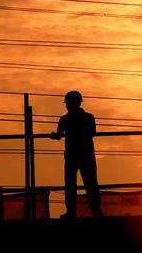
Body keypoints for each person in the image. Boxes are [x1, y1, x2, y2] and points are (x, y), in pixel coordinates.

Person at [50, 90, 103, 218]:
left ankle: (73, 212)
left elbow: (58, 135)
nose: (67, 105)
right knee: (90, 183)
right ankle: (96, 211)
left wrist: (55, 136)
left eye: (68, 103)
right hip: (85, 155)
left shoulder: (65, 119)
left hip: (73, 155)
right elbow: (92, 133)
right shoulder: (88, 117)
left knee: (71, 185)